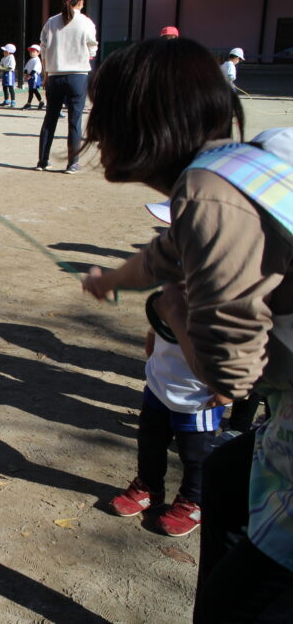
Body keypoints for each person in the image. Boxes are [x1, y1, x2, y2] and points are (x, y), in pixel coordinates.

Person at [79, 36, 293, 622]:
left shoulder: (206, 195)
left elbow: (232, 374)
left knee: (240, 601)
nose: (95, 131)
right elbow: (164, 255)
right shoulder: (240, 166)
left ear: (141, 123)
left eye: (104, 112)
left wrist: (171, 311)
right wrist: (113, 279)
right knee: (226, 476)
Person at [108, 205, 228, 537]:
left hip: (197, 397)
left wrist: (224, 387)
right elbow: (157, 320)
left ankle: (193, 500)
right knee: (150, 440)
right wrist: (151, 338)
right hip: (159, 385)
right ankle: (149, 486)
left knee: (195, 454)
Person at [35, 0, 98, 174]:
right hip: (77, 76)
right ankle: (72, 163)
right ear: (81, 2)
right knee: (74, 121)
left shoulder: (52, 22)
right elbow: (92, 48)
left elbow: (43, 49)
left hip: (54, 76)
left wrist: (46, 74)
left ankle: (43, 161)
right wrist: (84, 56)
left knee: (50, 119)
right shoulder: (86, 22)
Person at [20, 44, 44, 110]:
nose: (31, 53)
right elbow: (26, 68)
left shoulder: (37, 60)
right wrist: (25, 74)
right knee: (33, 90)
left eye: (33, 51)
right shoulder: (31, 60)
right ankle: (40, 102)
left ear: (38, 52)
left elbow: (35, 69)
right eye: (30, 52)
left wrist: (30, 75)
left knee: (32, 90)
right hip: (30, 77)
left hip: (34, 77)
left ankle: (29, 103)